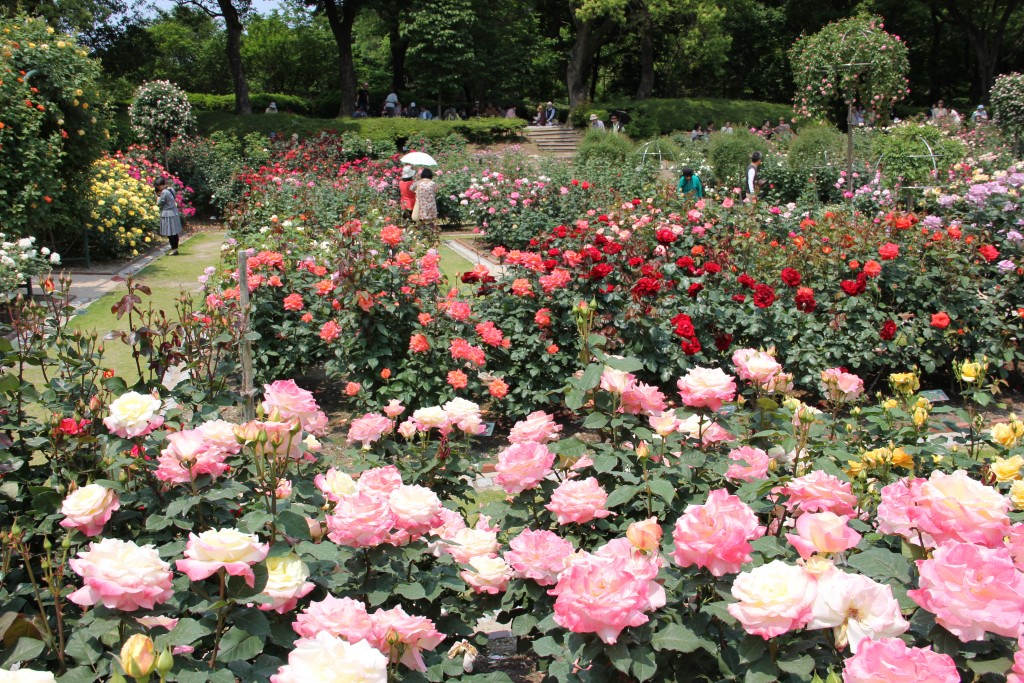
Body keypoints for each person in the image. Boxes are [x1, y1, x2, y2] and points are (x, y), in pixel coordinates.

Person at [155, 178, 183, 256]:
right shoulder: (171, 189)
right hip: (174, 212)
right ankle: (175, 249)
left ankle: (174, 250)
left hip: (168, 214)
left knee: (170, 233)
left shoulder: (164, 192)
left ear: (161, 185)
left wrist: (158, 197)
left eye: (158, 186)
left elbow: (159, 203)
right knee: (175, 233)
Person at [411, 168, 438, 240]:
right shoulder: (433, 183)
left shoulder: (418, 183)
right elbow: (436, 190)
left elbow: (411, 188)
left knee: (421, 220)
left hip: (421, 204)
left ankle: (421, 235)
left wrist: (416, 180)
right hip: (431, 205)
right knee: (430, 221)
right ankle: (431, 235)